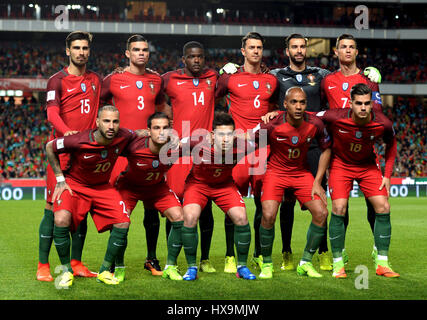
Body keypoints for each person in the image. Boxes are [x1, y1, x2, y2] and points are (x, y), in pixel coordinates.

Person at [45, 105, 138, 287]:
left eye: (115, 121)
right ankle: (66, 272)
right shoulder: (78, 139)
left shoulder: (124, 135)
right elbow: (50, 147)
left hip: (102, 187)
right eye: (106, 121)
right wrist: (59, 178)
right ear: (97, 123)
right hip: (75, 185)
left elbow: (139, 133)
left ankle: (104, 271)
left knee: (123, 222)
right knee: (61, 219)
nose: (111, 126)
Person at [315, 83, 399, 278]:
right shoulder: (335, 115)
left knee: (383, 207)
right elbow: (309, 115)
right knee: (339, 209)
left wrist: (387, 175)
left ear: (372, 104)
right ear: (350, 103)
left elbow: (391, 145)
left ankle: (382, 262)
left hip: (368, 166)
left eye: (367, 103)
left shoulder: (383, 123)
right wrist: (276, 113)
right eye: (359, 103)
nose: (363, 108)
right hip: (341, 165)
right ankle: (338, 261)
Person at [101, 34, 166, 276]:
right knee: (120, 210)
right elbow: (100, 106)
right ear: (127, 53)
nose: (141, 53)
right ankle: (118, 261)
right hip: (121, 154)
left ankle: (152, 258)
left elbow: (162, 107)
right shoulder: (113, 78)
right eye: (136, 49)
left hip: (150, 153)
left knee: (151, 209)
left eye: (145, 49)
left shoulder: (156, 79)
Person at [37, 30, 100, 282]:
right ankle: (43, 265)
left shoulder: (97, 79)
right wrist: (68, 134)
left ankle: (76, 263)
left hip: (86, 156)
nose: (81, 52)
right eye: (77, 48)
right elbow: (52, 115)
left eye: (85, 48)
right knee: (52, 208)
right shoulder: (56, 80)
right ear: (68, 51)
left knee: (80, 209)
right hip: (62, 154)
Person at [253, 87, 331, 279]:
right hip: (275, 172)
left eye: (302, 102)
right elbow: (251, 141)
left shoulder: (316, 124)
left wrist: (318, 181)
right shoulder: (271, 125)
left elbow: (327, 149)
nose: (298, 106)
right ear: (285, 105)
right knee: (269, 215)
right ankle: (267, 263)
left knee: (321, 213)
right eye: (294, 102)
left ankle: (305, 262)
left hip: (301, 173)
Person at [215, 32, 278, 270]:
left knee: (264, 204)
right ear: (243, 51)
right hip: (237, 151)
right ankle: (230, 255)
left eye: (259, 47)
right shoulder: (231, 78)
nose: (255, 51)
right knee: (232, 204)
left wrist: (277, 113)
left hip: (263, 148)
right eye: (251, 47)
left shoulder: (272, 80)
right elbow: (210, 97)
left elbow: (283, 107)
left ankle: (260, 254)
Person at [270, 34, 332, 271]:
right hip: (286, 147)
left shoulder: (321, 75)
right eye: (294, 47)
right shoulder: (276, 75)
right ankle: (286, 252)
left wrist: (368, 73)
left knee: (320, 199)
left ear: (307, 49)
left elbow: (342, 82)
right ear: (287, 50)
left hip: (314, 146)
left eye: (302, 46)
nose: (299, 50)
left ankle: (323, 252)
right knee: (286, 203)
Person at [321, 33, 382, 263]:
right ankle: (340, 252)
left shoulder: (368, 79)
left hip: (366, 152)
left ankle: (379, 247)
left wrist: (375, 84)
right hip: (339, 154)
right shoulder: (327, 81)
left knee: (375, 204)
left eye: (352, 47)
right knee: (340, 206)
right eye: (343, 47)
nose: (347, 50)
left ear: (357, 52)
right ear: (335, 52)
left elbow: (377, 113)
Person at [161, 41, 220, 273]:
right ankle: (171, 259)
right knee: (174, 208)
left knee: (205, 209)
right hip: (178, 154)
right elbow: (151, 90)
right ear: (183, 59)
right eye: (192, 57)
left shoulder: (213, 78)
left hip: (204, 153)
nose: (197, 60)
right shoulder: (169, 79)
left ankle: (204, 258)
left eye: (200, 56)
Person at [180, 112, 256, 281]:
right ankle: (191, 267)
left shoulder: (244, 146)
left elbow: (265, 135)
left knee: (241, 218)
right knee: (190, 217)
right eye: (221, 134)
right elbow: (171, 145)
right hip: (198, 185)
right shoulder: (197, 143)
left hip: (224, 186)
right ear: (212, 135)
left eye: (229, 134)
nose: (225, 139)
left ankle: (242, 266)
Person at [113, 112, 184, 281]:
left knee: (180, 218)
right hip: (130, 187)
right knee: (120, 222)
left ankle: (170, 266)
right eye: (156, 128)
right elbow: (109, 145)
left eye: (165, 128)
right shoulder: (134, 146)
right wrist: (135, 132)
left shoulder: (176, 147)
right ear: (149, 130)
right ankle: (117, 266)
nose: (161, 132)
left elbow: (204, 146)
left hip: (156, 187)